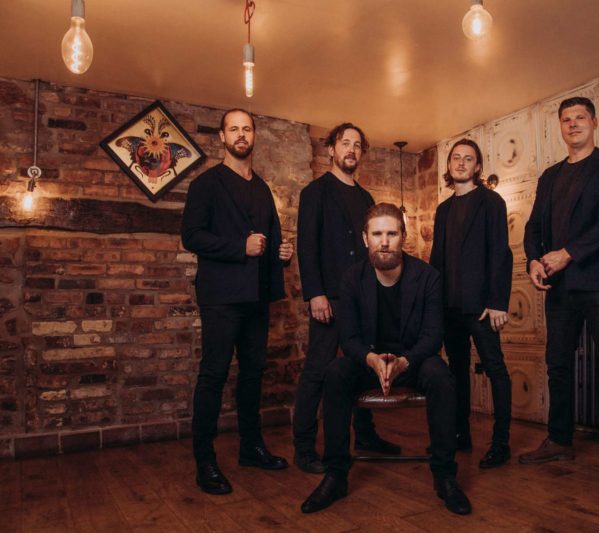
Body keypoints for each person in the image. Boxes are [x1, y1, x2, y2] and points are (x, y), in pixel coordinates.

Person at [300, 203, 471, 515]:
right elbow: (348, 338)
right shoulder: (352, 278)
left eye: (391, 233)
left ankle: (445, 476)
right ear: (365, 239)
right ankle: (336, 474)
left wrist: (404, 361)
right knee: (336, 371)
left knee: (442, 375)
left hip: (413, 361)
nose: (384, 241)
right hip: (369, 362)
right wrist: (371, 360)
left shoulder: (428, 276)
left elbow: (433, 336)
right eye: (377, 234)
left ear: (403, 237)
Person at [520, 96, 599, 488]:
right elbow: (533, 228)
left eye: (579, 118)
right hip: (560, 286)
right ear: (560, 127)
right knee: (557, 365)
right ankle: (559, 439)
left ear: (594, 122)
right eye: (565, 119)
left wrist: (568, 253)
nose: (572, 124)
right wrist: (533, 261)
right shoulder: (549, 177)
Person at [181, 108, 294, 495]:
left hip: (256, 297)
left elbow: (272, 238)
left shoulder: (262, 188)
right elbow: (191, 237)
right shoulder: (206, 184)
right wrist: (239, 247)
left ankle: (251, 447)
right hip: (221, 297)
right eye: (234, 129)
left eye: (247, 129)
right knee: (213, 374)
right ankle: (205, 461)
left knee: (252, 374)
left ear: (254, 136)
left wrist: (283, 252)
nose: (241, 135)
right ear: (222, 138)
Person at [294, 123, 400, 474]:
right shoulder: (315, 192)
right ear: (331, 150)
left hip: (364, 299)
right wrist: (315, 294)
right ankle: (305, 448)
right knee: (318, 372)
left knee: (362, 366)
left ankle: (366, 436)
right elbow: (306, 247)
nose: (351, 150)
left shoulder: (366, 199)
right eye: (345, 143)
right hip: (330, 299)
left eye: (357, 145)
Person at [429, 138, 513, 468]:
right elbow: (437, 260)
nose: (461, 162)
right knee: (456, 373)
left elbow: (500, 253)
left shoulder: (491, 202)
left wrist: (498, 302)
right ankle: (460, 436)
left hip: (482, 306)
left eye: (468, 158)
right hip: (449, 308)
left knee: (496, 370)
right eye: (456, 158)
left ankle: (501, 443)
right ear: (449, 166)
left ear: (478, 167)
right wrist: (431, 306)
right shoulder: (442, 209)